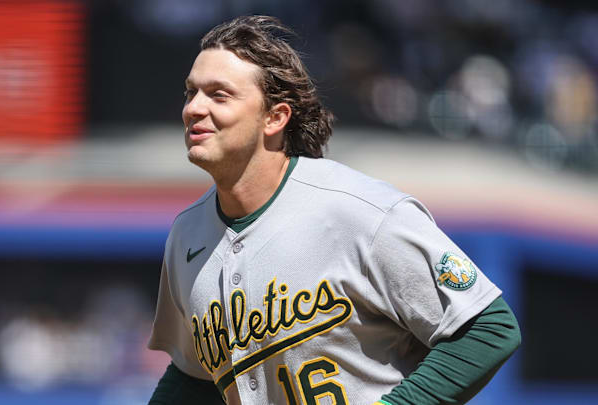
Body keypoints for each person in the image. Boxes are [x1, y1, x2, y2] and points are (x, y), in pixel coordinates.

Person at [148, 15, 521, 405]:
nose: (194, 108)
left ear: (275, 117)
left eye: (218, 95)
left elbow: (488, 327)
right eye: (191, 92)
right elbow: (194, 375)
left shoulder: (358, 210)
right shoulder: (187, 235)